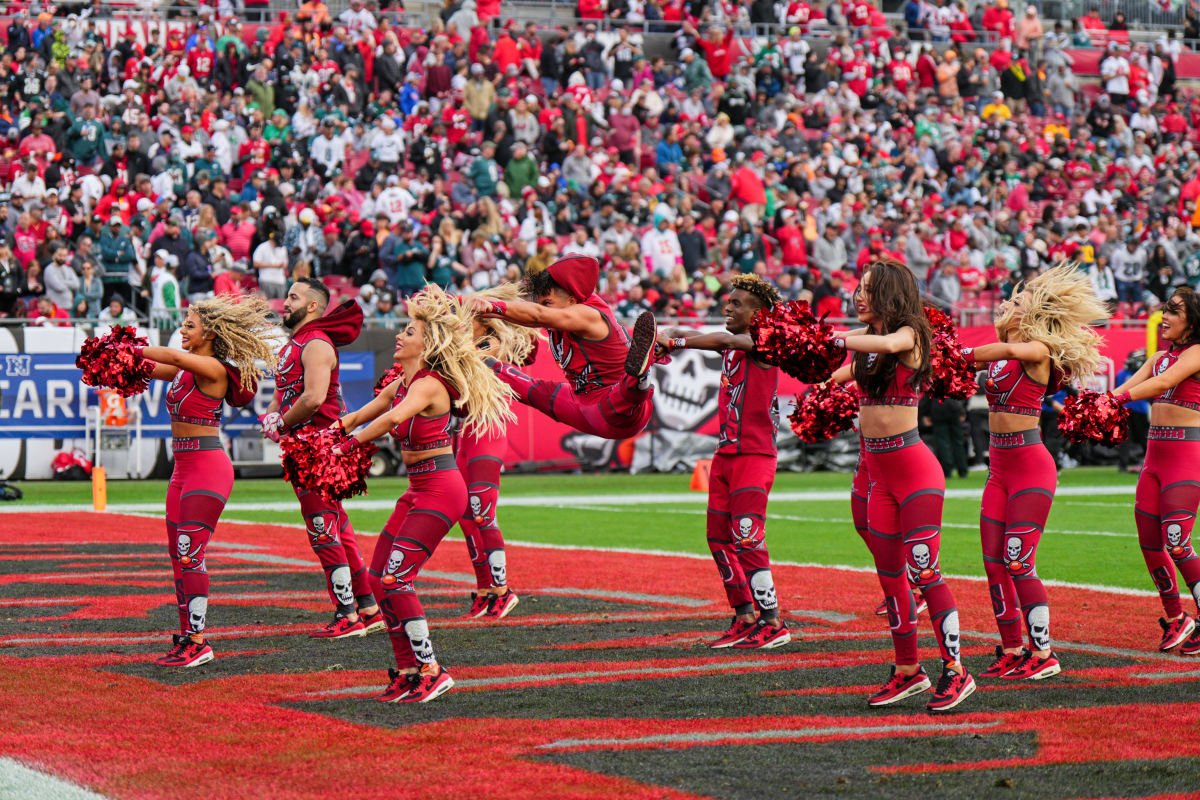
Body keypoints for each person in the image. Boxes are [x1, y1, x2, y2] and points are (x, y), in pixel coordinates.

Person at [334, 287, 514, 703]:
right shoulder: (404, 380)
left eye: (409, 331)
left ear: (427, 343)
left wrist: (347, 447)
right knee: (379, 580)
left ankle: (432, 669)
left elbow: (395, 417)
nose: (399, 336)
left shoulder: (430, 384)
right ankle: (408, 670)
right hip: (417, 489)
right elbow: (368, 411)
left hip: (441, 489)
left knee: (398, 579)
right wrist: (328, 435)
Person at [840, 258, 975, 712]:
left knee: (924, 571)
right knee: (891, 577)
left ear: (890, 293)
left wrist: (833, 338)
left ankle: (956, 670)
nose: (858, 297)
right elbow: (837, 373)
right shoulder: (867, 350)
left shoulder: (910, 334)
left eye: (867, 289)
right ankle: (907, 669)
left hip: (915, 473)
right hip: (879, 477)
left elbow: (892, 340)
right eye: (857, 289)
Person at [962, 264, 1108, 679]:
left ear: (1032, 314)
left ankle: (1044, 654)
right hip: (999, 469)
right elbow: (991, 357)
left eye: (1017, 301)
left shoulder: (1037, 351)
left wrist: (958, 355)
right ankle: (1012, 648)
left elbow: (1007, 352)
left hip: (1029, 467)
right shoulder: (1001, 350)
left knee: (1018, 560)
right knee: (993, 561)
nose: (1008, 303)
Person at [129, 295, 277, 666]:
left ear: (209, 333)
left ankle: (198, 641)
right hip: (182, 469)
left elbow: (175, 357)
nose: (182, 329)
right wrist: (116, 359)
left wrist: (132, 345)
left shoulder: (211, 368)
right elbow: (149, 368)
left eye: (189, 325)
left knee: (189, 552)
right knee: (178, 555)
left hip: (207, 467)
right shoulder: (185, 370)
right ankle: (186, 635)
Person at [657, 274, 790, 649]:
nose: (727, 307)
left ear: (759, 313)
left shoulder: (764, 342)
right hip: (726, 454)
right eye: (728, 302)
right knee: (718, 538)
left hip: (754, 456)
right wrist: (664, 330)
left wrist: (677, 342)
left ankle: (773, 621)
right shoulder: (734, 344)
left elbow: (726, 339)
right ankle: (745, 616)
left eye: (736, 304)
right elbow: (712, 336)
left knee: (747, 539)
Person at [261, 278, 380, 638]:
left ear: (313, 306)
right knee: (338, 530)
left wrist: (280, 422)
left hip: (317, 447)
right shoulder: (295, 342)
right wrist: (271, 413)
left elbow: (313, 398)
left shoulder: (314, 343)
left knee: (321, 529)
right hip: (304, 444)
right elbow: (285, 390)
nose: (286, 302)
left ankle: (347, 614)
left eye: (294, 297)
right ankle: (369, 608)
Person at [467, 256, 658, 441]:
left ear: (572, 301)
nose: (543, 308)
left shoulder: (588, 314)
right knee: (530, 389)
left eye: (548, 303)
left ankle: (639, 380)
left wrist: (489, 306)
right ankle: (479, 359)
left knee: (618, 398)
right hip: (584, 405)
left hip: (617, 410)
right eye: (541, 304)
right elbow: (529, 350)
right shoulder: (557, 317)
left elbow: (537, 316)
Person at [1111, 286, 1200, 656]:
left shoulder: (1196, 352)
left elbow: (1162, 385)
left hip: (1186, 455)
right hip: (1154, 459)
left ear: (1192, 321)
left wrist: (1116, 399)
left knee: (1177, 539)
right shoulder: (1159, 356)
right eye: (1165, 308)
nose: (1164, 316)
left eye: (1173, 311)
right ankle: (1176, 617)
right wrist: (1097, 402)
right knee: (1150, 541)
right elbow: (1132, 384)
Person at [458, 283, 540, 619]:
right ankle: (484, 589)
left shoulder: (490, 344)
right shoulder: (467, 339)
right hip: (464, 435)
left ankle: (502, 590)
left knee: (481, 510)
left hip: (486, 431)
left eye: (468, 315)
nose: (460, 320)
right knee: (465, 515)